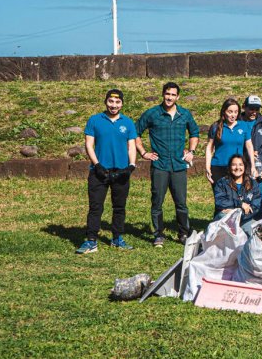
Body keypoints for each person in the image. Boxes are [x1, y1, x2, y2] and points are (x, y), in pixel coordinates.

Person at [133, 81, 199, 247]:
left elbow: (194, 132)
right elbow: (135, 132)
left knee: (181, 203)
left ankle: (183, 233)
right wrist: (143, 152)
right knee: (157, 202)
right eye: (167, 94)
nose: (169, 97)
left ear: (178, 97)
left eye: (173, 95)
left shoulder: (184, 114)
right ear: (163, 94)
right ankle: (158, 234)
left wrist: (191, 151)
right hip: (160, 165)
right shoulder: (152, 114)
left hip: (178, 166)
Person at [77, 88, 137, 254]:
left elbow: (131, 146)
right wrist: (97, 165)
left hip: (121, 172)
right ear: (106, 102)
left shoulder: (128, 122)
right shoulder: (95, 120)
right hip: (99, 172)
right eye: (111, 101)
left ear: (122, 104)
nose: (114, 105)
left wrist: (131, 166)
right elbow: (89, 144)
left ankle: (117, 238)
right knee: (95, 207)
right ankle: (91, 241)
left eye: (117, 102)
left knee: (119, 207)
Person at [204, 98, 256, 190]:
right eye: (230, 112)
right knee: (221, 196)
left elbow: (249, 146)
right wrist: (207, 166)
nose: (233, 115)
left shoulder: (244, 126)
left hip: (237, 168)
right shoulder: (216, 126)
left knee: (236, 195)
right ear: (224, 112)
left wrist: (253, 166)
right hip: (218, 167)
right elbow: (209, 147)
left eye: (236, 112)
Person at [239, 94, 262, 221]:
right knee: (241, 196)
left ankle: (258, 224)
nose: (254, 112)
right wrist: (247, 153)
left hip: (260, 167)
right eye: (251, 108)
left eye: (257, 109)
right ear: (244, 107)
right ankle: (241, 223)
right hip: (240, 166)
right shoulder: (238, 122)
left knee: (258, 197)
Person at [212, 154, 262, 225]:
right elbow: (220, 201)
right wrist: (240, 204)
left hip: (245, 218)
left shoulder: (253, 183)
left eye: (240, 165)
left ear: (245, 167)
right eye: (234, 165)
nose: (237, 167)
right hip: (226, 217)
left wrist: (238, 213)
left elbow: (255, 206)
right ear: (230, 167)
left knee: (254, 230)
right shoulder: (222, 183)